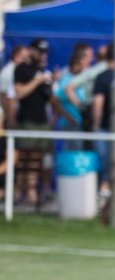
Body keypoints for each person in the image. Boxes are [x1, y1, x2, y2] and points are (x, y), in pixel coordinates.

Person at [13, 39, 56, 205]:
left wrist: (52, 82)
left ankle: (32, 190)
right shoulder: (22, 69)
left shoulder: (42, 70)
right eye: (40, 51)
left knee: (37, 158)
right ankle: (18, 190)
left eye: (45, 52)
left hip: (42, 120)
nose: (43, 55)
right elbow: (19, 93)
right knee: (24, 157)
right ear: (31, 50)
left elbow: (48, 98)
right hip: (27, 119)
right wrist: (38, 80)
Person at [54, 43, 93, 149]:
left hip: (82, 123)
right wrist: (69, 118)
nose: (86, 64)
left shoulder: (83, 78)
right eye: (84, 62)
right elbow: (56, 102)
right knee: (74, 151)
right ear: (77, 64)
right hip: (70, 124)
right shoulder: (65, 79)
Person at [91, 44, 115, 202]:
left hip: (105, 127)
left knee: (104, 160)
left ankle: (104, 189)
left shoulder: (102, 77)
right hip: (111, 128)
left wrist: (96, 124)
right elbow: (97, 103)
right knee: (108, 160)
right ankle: (105, 189)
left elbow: (97, 103)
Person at [1, 45, 28, 128]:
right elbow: (4, 98)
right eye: (24, 58)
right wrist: (10, 120)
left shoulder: (19, 71)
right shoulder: (8, 73)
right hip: (9, 119)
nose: (26, 61)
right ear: (16, 57)